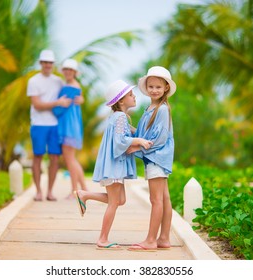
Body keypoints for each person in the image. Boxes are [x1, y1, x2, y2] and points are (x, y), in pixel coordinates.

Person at [74, 80, 153, 250]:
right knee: (114, 203)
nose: (134, 96)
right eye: (131, 95)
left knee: (120, 200)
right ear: (121, 101)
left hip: (114, 165)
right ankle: (103, 239)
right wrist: (139, 140)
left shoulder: (119, 117)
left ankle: (84, 195)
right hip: (115, 166)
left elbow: (128, 133)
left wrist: (139, 133)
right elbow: (120, 141)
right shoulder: (120, 117)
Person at [127, 66, 176, 251]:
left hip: (157, 158)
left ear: (165, 88)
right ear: (146, 87)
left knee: (156, 200)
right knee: (164, 198)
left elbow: (160, 138)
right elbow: (142, 133)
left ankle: (150, 240)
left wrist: (136, 146)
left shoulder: (162, 109)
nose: (154, 90)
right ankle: (163, 238)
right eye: (151, 86)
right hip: (157, 159)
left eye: (158, 87)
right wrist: (127, 128)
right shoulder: (150, 108)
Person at [27, 49, 72, 201]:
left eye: (50, 63)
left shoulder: (58, 81)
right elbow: (37, 104)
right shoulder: (33, 81)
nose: (47, 65)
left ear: (53, 64)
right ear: (40, 63)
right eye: (45, 62)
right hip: (38, 124)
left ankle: (50, 192)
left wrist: (79, 99)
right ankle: (38, 191)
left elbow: (71, 92)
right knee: (37, 157)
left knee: (54, 158)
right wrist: (57, 103)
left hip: (55, 125)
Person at [53, 59, 88, 199]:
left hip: (68, 127)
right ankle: (84, 190)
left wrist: (54, 106)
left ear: (74, 72)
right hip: (72, 126)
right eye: (65, 69)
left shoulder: (68, 88)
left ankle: (75, 191)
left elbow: (58, 110)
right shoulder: (76, 86)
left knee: (69, 159)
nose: (67, 72)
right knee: (72, 158)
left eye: (70, 70)